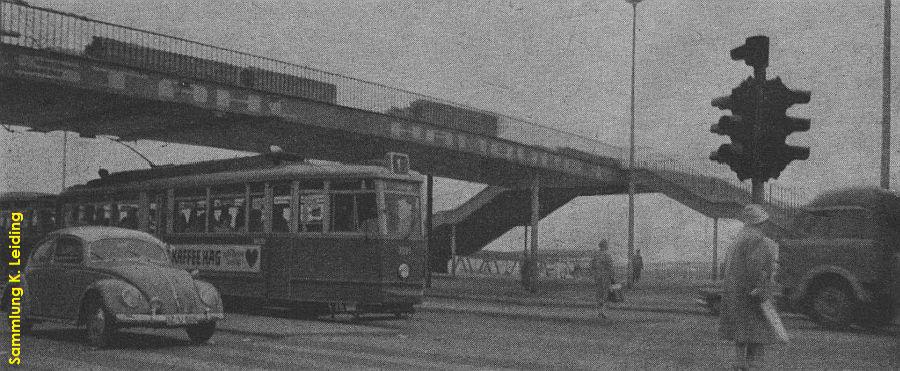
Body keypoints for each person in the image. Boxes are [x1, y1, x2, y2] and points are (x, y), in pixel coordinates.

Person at [719, 204, 786, 370]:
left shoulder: (738, 239)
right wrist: (762, 290)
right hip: (751, 296)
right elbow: (757, 268)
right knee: (757, 336)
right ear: (761, 222)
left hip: (735, 293)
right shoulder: (757, 239)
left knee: (741, 336)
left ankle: (740, 366)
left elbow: (726, 266)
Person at [590, 240, 614, 319]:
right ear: (605, 246)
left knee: (598, 294)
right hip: (605, 277)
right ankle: (602, 312)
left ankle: (599, 312)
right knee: (604, 295)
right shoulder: (607, 255)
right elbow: (610, 267)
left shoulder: (595, 254)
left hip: (597, 277)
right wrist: (612, 276)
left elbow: (591, 266)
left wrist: (594, 273)